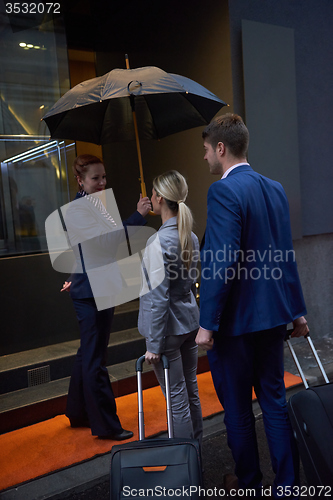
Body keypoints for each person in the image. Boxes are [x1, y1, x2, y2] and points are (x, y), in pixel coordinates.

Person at [195, 114, 309, 499]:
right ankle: (288, 488)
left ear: (221, 148)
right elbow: (284, 255)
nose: (205, 157)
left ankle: (248, 486)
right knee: (275, 402)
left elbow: (221, 261)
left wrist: (207, 324)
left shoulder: (222, 192)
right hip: (273, 318)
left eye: (207, 150)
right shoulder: (274, 188)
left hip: (235, 325)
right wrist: (297, 311)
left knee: (239, 410)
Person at [61, 154, 151, 440]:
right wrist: (138, 216)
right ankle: (106, 426)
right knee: (95, 359)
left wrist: (74, 274)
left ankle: (77, 412)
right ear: (80, 180)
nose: (102, 182)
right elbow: (108, 242)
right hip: (91, 292)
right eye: (95, 178)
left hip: (94, 286)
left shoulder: (94, 206)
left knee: (88, 355)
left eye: (103, 177)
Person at [138, 170, 203, 447]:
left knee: (176, 397)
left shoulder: (158, 242)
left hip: (168, 332)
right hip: (189, 323)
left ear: (160, 198)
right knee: (191, 390)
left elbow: (157, 298)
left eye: (152, 194)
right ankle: (195, 450)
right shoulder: (191, 236)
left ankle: (184, 460)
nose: (150, 198)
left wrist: (153, 344)